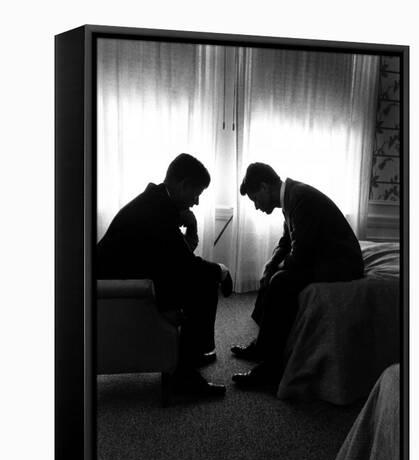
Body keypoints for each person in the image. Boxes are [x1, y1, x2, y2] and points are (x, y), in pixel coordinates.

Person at [97, 153, 232, 399]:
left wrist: (191, 230)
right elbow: (185, 266)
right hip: (122, 289)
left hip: (134, 278)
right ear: (183, 185)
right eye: (197, 193)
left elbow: (172, 258)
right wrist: (222, 270)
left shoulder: (158, 202)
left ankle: (191, 356)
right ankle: (185, 378)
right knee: (205, 282)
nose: (197, 202)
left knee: (201, 278)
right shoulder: (158, 212)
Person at [231, 162, 364, 390]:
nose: (256, 206)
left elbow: (301, 252)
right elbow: (287, 241)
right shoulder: (291, 197)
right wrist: (271, 264)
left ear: (264, 187)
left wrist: (279, 269)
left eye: (255, 199)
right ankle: (263, 346)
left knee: (281, 282)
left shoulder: (300, 198)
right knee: (272, 273)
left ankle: (271, 371)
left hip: (342, 263)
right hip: (323, 254)